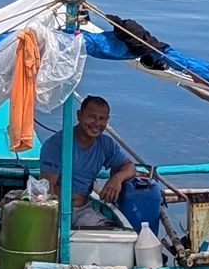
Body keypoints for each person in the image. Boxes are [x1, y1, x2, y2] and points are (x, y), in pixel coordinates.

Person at [36, 93, 136, 229]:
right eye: (91, 117)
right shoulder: (56, 144)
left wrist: (117, 178)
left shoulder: (106, 144)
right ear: (79, 115)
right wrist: (54, 224)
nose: (97, 123)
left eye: (102, 119)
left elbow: (129, 166)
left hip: (83, 209)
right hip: (56, 208)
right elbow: (47, 188)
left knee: (111, 233)